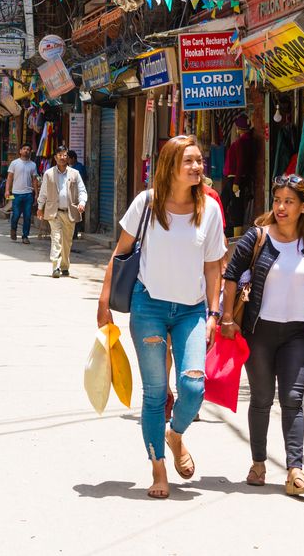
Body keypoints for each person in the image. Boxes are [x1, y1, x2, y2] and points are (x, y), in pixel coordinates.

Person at [96, 135, 226, 500]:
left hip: (192, 311)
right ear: (171, 165)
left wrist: (214, 312)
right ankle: (158, 469)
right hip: (148, 306)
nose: (198, 167)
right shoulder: (147, 203)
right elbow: (120, 254)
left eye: (200, 161)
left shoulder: (210, 209)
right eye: (190, 161)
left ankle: (176, 435)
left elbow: (214, 266)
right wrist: (104, 301)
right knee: (154, 395)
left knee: (193, 387)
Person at [221, 175, 304, 496]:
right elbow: (230, 275)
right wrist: (227, 317)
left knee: (293, 399)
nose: (281, 207)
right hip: (259, 333)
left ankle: (295, 470)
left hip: (297, 335)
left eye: (289, 202)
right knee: (261, 399)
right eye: (277, 201)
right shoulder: (257, 237)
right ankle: (258, 463)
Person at [37, 147, 87, 278]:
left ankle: (65, 265)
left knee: (67, 241)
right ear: (55, 157)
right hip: (54, 212)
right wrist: (40, 207)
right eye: (59, 155)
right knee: (56, 238)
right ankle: (55, 266)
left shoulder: (75, 173)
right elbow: (43, 192)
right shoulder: (48, 173)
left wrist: (82, 202)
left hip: (70, 212)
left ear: (67, 157)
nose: (62, 157)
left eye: (64, 155)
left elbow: (82, 190)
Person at [8, 144, 40, 244]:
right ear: (20, 151)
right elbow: (9, 178)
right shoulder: (14, 163)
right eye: (24, 149)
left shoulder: (33, 165)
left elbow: (34, 180)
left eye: (28, 149)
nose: (26, 151)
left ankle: (25, 236)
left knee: (27, 216)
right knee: (16, 215)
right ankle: (13, 229)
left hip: (28, 194)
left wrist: (36, 194)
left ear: (30, 152)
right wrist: (7, 191)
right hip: (16, 194)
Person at [68, 150, 88, 240]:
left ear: (73, 158)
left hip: (76, 195)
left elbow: (80, 182)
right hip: (72, 195)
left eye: (69, 158)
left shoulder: (78, 168)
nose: (67, 160)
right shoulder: (73, 167)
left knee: (75, 215)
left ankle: (74, 233)